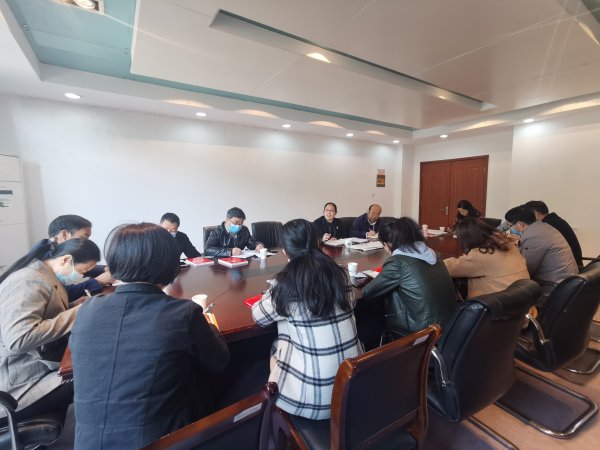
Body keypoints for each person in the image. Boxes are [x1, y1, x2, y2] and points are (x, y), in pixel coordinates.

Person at [70, 223, 230, 449]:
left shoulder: (88, 309)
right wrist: (209, 324)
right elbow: (219, 362)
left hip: (86, 442)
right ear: (170, 265)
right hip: (162, 441)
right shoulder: (182, 313)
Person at [251, 219, 363, 420]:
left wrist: (273, 289)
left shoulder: (285, 283)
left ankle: (276, 409)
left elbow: (258, 317)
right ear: (317, 243)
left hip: (314, 403)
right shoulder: (341, 273)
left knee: (278, 340)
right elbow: (351, 303)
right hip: (354, 385)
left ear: (285, 251)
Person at [0, 238, 100, 423]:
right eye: (82, 271)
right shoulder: (28, 280)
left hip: (33, 369)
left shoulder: (43, 275)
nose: (82, 276)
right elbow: (19, 339)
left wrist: (73, 306)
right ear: (66, 260)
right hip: (17, 385)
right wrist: (78, 312)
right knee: (98, 375)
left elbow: (44, 314)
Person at [361, 217, 457, 337]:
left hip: (422, 333)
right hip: (450, 327)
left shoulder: (397, 262)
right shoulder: (434, 255)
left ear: (388, 244)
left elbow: (367, 293)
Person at [30, 215, 114, 301]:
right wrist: (98, 282)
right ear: (64, 234)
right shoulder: (38, 273)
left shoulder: (50, 249)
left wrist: (103, 269)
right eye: (84, 238)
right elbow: (60, 293)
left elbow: (77, 266)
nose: (85, 242)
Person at [444, 218, 530, 299]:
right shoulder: (508, 244)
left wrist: (446, 260)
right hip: (524, 299)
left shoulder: (481, 254)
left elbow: (449, 269)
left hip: (499, 304)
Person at [505, 205, 578, 301]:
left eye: (511, 225)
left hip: (553, 288)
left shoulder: (533, 236)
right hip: (567, 281)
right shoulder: (543, 227)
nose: (512, 228)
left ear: (520, 224)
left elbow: (526, 269)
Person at [524, 200, 583, 267]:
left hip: (568, 266)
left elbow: (536, 247)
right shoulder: (554, 220)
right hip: (572, 263)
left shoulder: (547, 225)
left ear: (536, 214)